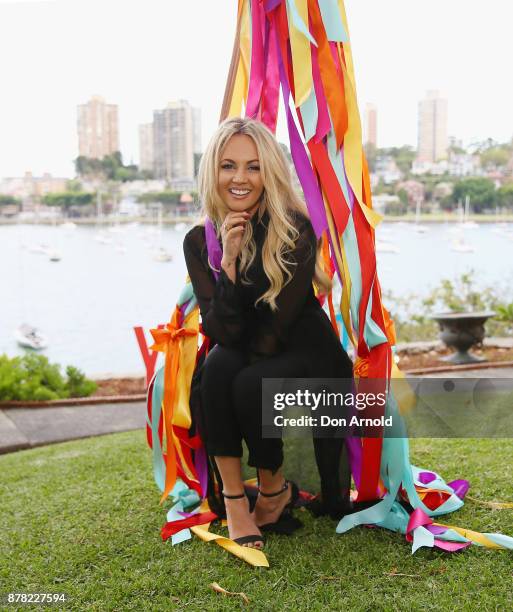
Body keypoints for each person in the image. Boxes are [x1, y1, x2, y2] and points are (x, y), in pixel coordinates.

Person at [183, 117, 353, 550]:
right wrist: (229, 267)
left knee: (244, 378)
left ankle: (274, 492)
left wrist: (230, 347)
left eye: (254, 166)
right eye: (228, 166)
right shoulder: (199, 241)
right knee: (217, 368)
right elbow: (220, 330)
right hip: (247, 344)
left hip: (306, 348)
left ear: (269, 171)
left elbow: (272, 335)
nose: (240, 178)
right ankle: (237, 499)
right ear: (212, 172)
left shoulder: (294, 228)